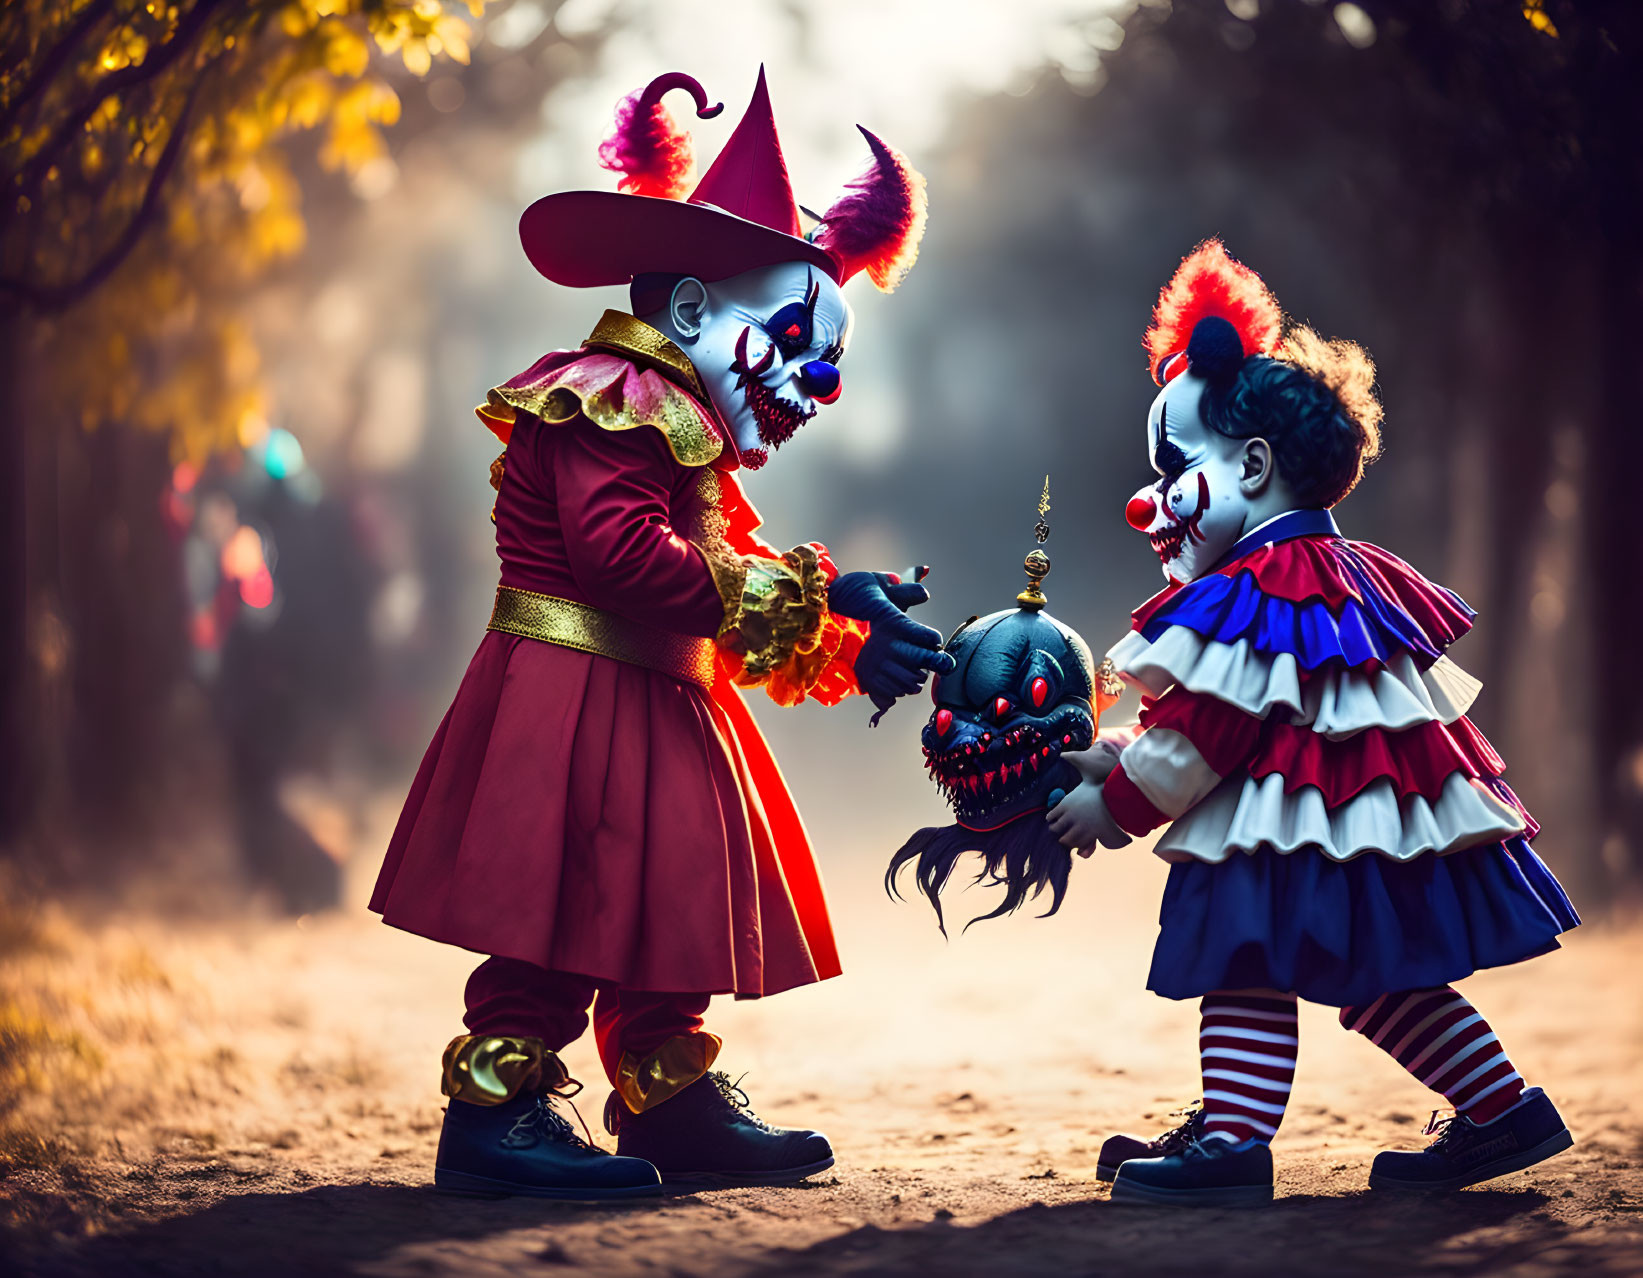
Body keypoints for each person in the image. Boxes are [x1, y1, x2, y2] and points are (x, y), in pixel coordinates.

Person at [370, 69, 951, 1200]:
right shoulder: (613, 399)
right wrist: (811, 601)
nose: (816, 383)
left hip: (652, 696)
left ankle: (664, 1094)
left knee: (664, 906)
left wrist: (842, 626)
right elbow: (623, 561)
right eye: (790, 338)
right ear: (691, 313)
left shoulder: (687, 431)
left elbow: (720, 582)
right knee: (556, 907)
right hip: (573, 695)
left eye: (826, 355)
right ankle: (498, 1110)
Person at [1048, 240, 1579, 1206]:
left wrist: (1115, 805)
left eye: (1174, 465)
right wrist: (1113, 751)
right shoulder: (1349, 576)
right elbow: (1232, 718)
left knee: (1244, 963)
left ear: (1252, 465)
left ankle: (1232, 1146)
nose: (1152, 500)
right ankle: (1501, 1111)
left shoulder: (1258, 586)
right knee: (1381, 974)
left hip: (1289, 819)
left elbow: (1209, 730)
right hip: (1364, 816)